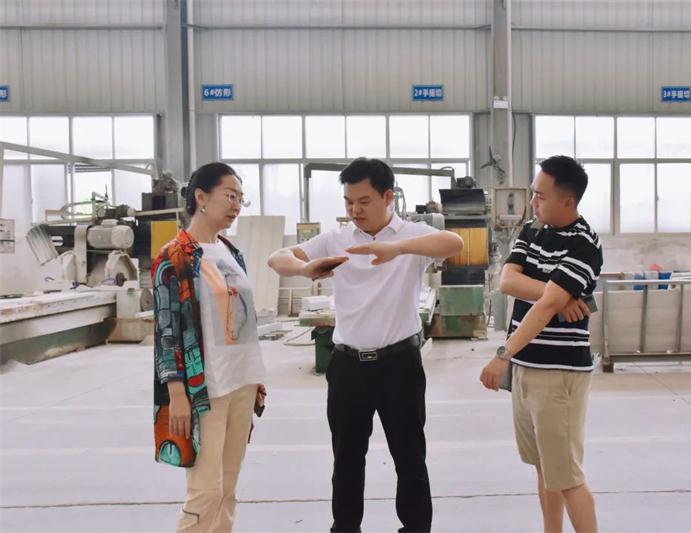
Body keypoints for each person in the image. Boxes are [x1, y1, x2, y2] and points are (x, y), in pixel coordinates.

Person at [268, 157, 463, 532]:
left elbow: (453, 242)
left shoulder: (412, 235)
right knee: (346, 459)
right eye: (348, 201)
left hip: (399, 365)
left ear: (387, 197)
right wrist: (305, 268)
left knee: (409, 457)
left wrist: (398, 248)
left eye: (363, 201)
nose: (354, 210)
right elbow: (277, 258)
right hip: (348, 367)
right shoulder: (336, 240)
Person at [480, 155, 603, 533]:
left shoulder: (584, 243)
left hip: (558, 371)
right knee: (544, 469)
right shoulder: (533, 231)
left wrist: (503, 353)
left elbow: (545, 306)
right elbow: (507, 282)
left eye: (541, 196)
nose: (533, 202)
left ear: (568, 200)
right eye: (533, 193)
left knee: (566, 475)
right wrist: (559, 296)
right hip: (528, 368)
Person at [152, 162, 268, 533]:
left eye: (241, 199)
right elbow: (167, 330)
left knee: (228, 488)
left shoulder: (231, 251)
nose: (236, 206)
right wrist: (176, 394)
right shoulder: (174, 256)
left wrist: (255, 380)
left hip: (242, 382)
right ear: (201, 197)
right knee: (205, 491)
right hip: (205, 388)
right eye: (230, 196)